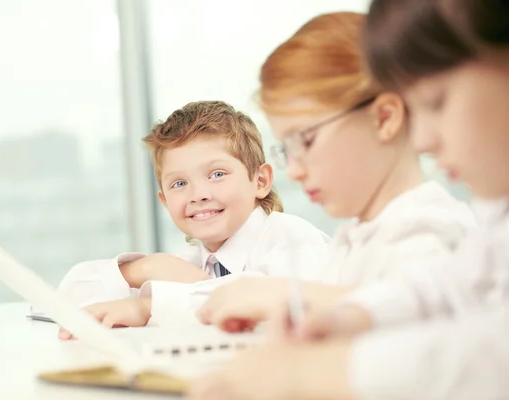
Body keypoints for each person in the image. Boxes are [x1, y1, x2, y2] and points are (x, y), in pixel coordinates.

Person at [187, 1, 509, 399]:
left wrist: (309, 370)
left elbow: (485, 351)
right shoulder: (493, 223)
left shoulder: (431, 227)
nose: (424, 138)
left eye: (436, 101)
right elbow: (454, 288)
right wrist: (352, 316)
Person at [197, 11, 473, 332]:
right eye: (287, 149)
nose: (295, 171)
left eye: (306, 140)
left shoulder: (432, 231)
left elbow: (418, 313)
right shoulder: (355, 237)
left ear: (384, 118)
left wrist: (288, 296)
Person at [56, 100, 330, 338]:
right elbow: (67, 300)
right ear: (164, 201)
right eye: (179, 184)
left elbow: (269, 296)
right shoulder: (186, 262)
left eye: (217, 174)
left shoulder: (292, 237)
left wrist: (147, 306)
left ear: (260, 180)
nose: (198, 195)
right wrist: (143, 269)